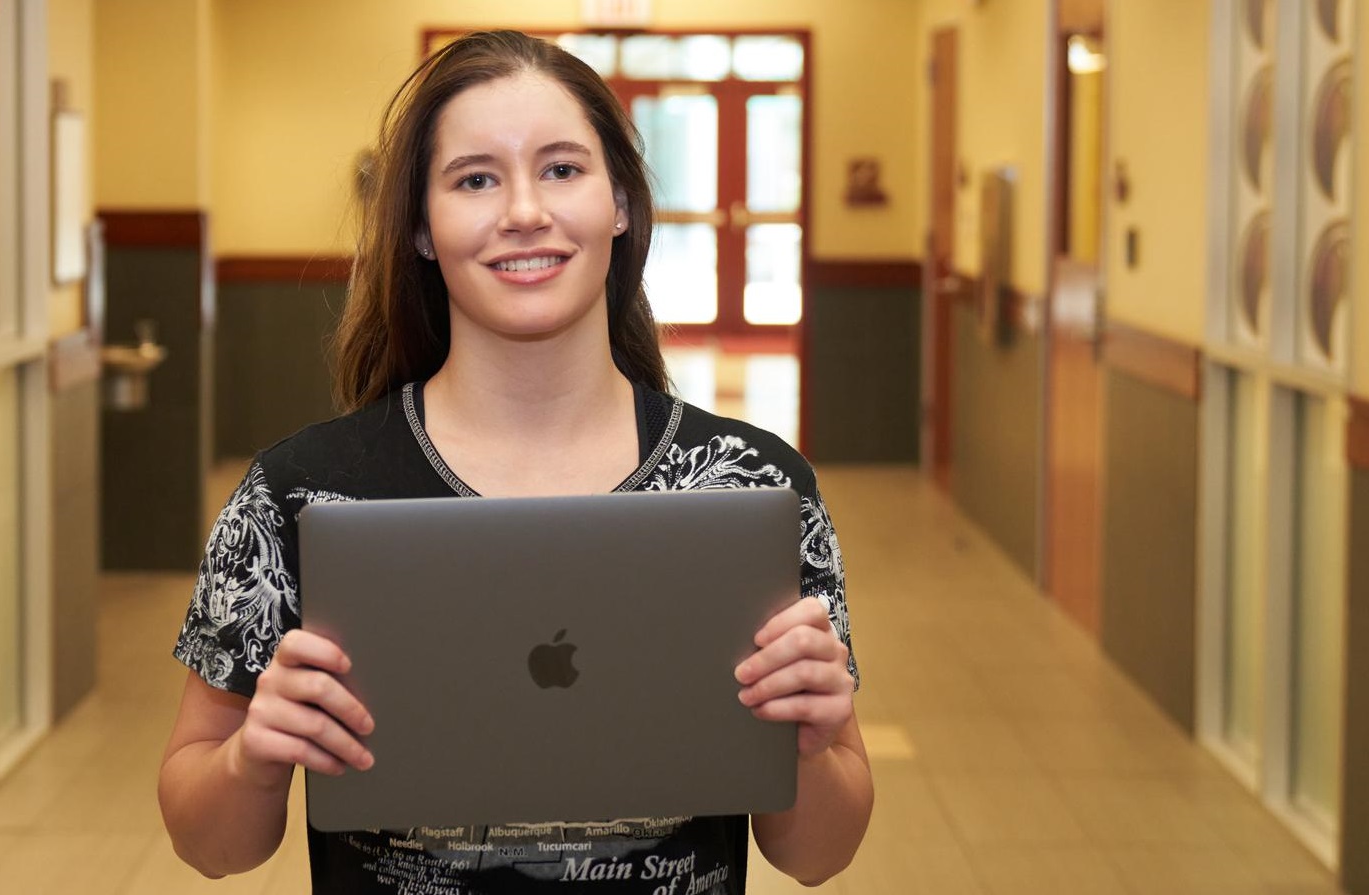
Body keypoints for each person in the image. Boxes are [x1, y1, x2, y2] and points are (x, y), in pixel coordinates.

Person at [158, 30, 872, 893]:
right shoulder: (298, 496)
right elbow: (209, 844)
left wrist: (809, 738)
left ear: (620, 202)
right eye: (475, 179)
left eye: (562, 169)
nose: (523, 210)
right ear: (421, 227)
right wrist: (252, 759)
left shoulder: (754, 489)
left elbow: (818, 854)